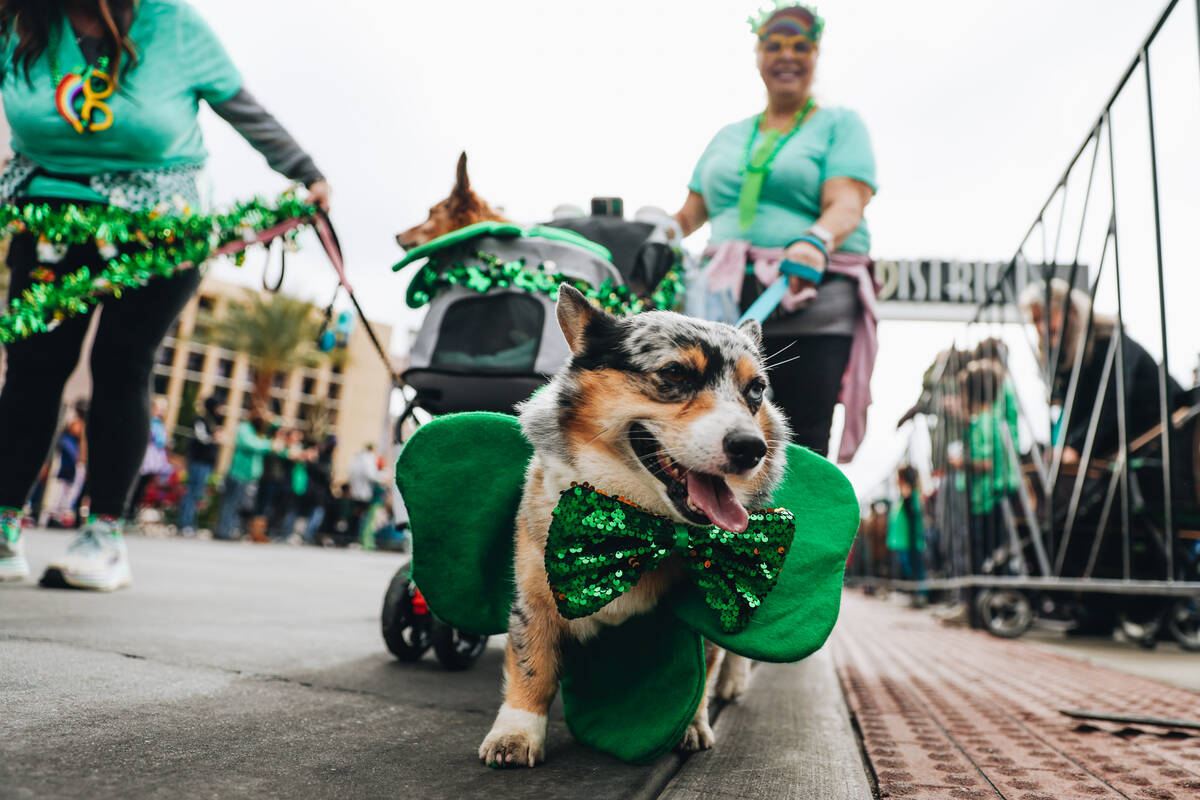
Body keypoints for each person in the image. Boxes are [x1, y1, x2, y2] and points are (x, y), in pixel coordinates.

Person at [0, 0, 330, 588]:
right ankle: (4, 526)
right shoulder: (17, 20)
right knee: (33, 368)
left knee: (121, 364)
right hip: (48, 223)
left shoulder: (172, 25)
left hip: (161, 229)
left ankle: (102, 537)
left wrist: (306, 173)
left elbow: (246, 111)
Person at [673, 3, 877, 461]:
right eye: (775, 45)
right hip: (723, 307)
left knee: (798, 440)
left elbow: (847, 201)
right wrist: (657, 232)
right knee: (714, 427)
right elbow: (690, 213)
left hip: (806, 295)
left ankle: (800, 532)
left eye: (800, 46)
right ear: (758, 54)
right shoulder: (728, 135)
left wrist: (817, 239)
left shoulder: (839, 124)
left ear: (816, 54)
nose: (787, 55)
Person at [213, 414, 271, 541]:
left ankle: (229, 529)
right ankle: (223, 530)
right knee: (229, 503)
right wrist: (269, 444)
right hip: (237, 473)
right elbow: (252, 445)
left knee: (237, 504)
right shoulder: (245, 429)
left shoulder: (254, 431)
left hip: (246, 476)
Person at [177, 395, 222, 536]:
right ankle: (184, 523)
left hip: (206, 463)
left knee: (198, 493)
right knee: (192, 492)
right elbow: (201, 438)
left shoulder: (214, 421)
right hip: (198, 461)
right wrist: (214, 438)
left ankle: (190, 522)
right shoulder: (200, 420)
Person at [125, 395, 170, 520]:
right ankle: (127, 510)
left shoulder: (159, 423)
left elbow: (161, 441)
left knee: (144, 486)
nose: (161, 411)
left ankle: (133, 511)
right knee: (136, 483)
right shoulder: (147, 420)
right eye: (159, 407)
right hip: (144, 457)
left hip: (152, 460)